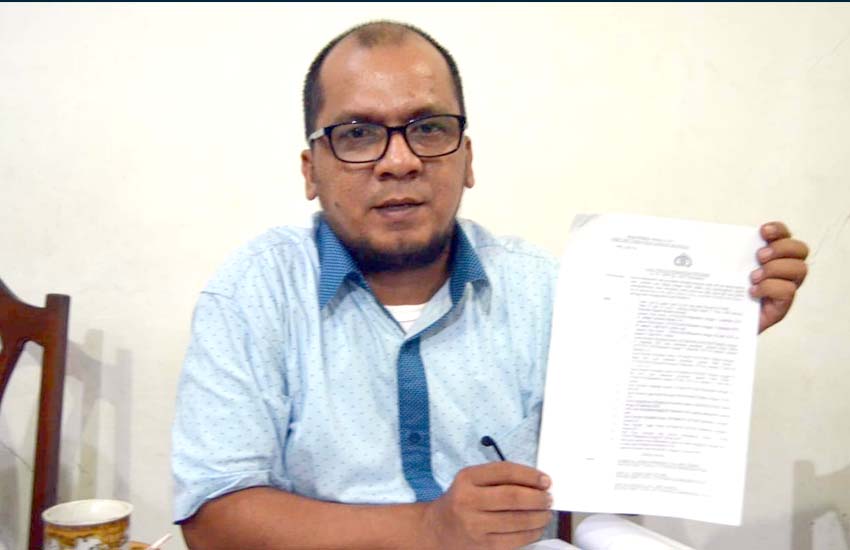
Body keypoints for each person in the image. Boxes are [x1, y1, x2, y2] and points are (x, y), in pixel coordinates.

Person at [171, 20, 809, 550]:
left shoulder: (544, 289)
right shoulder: (252, 294)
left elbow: (610, 451)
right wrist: (428, 528)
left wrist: (711, 330)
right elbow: (212, 519)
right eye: (358, 134)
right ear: (312, 170)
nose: (400, 161)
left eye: (428, 128)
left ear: (467, 158)